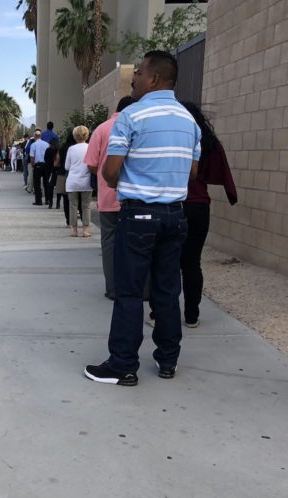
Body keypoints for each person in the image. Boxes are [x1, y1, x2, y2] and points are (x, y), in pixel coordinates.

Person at [84, 50, 201, 386]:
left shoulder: (132, 116)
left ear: (153, 78)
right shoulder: (188, 121)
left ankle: (123, 364)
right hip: (175, 215)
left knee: (130, 291)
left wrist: (137, 180)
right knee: (166, 290)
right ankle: (168, 360)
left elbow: (110, 173)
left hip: (138, 215)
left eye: (138, 73)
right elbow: (191, 173)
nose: (133, 79)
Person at [178, 101, 237, 327]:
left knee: (168, 261)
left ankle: (159, 314)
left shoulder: (177, 139)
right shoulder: (210, 143)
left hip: (176, 204)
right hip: (200, 206)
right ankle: (192, 315)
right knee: (192, 262)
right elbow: (221, 173)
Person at [85, 95, 135, 299]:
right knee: (137, 243)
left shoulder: (102, 129)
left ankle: (113, 288)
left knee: (109, 243)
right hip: (134, 197)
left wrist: (105, 176)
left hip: (108, 197)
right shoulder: (138, 127)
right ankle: (141, 288)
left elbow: (91, 163)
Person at [65, 125, 93, 237]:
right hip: (86, 181)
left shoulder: (71, 149)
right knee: (86, 206)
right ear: (87, 135)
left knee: (73, 206)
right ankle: (86, 229)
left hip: (72, 181)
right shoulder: (90, 147)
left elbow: (67, 166)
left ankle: (74, 230)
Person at [29, 129, 50, 206]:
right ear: (41, 136)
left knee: (37, 184)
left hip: (37, 165)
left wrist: (32, 165)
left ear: (35, 136)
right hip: (46, 165)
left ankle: (39, 201)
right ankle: (47, 200)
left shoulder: (33, 145)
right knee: (46, 183)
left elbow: (32, 157)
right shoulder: (47, 144)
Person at [44, 138, 60, 209]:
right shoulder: (58, 150)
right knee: (59, 188)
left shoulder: (48, 150)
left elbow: (45, 158)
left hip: (49, 171)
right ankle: (58, 204)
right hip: (57, 171)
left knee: (50, 187)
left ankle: (50, 203)